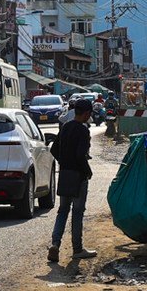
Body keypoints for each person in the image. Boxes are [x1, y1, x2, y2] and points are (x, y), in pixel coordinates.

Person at [48, 97, 96, 266]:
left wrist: (64, 162)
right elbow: (80, 155)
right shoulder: (83, 131)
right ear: (86, 113)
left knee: (62, 211)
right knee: (77, 213)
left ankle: (55, 244)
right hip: (78, 177)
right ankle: (77, 249)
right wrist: (87, 172)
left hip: (65, 174)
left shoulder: (66, 126)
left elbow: (54, 149)